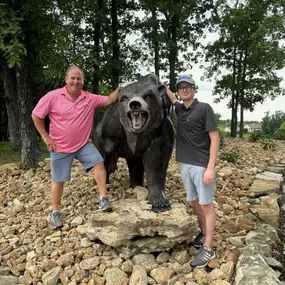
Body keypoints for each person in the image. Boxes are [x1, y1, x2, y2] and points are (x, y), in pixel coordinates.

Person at [32, 65, 120, 229]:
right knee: (58, 180)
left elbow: (108, 99)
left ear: (82, 81)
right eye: (72, 78)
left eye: (79, 78)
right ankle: (55, 212)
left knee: (99, 163)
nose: (75, 81)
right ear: (66, 79)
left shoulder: (89, 98)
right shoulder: (52, 96)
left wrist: (122, 88)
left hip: (83, 145)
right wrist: (45, 137)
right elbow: (36, 115)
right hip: (60, 147)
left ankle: (103, 199)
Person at [166, 73, 220, 268]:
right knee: (193, 201)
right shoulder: (180, 109)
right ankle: (204, 232)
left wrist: (210, 168)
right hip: (185, 164)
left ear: (194, 88)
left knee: (207, 205)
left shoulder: (204, 109)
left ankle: (207, 248)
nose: (184, 90)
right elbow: (171, 97)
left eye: (188, 86)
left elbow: (214, 138)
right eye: (181, 87)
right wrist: (157, 82)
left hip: (201, 165)